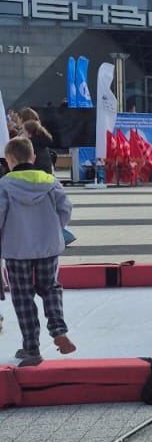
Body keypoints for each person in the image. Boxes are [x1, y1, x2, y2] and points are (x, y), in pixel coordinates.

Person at [0, 134, 76, 367]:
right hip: (48, 247)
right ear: (33, 157)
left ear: (9, 160)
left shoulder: (4, 185)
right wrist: (54, 228)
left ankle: (31, 348)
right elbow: (65, 208)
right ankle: (58, 329)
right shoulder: (50, 182)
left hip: (16, 249)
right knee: (50, 288)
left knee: (23, 297)